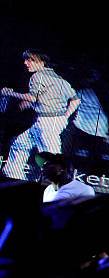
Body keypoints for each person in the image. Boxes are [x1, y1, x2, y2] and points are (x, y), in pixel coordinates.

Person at [1, 49, 80, 181]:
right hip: (49, 120)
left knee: (52, 157)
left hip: (47, 122)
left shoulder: (37, 76)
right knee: (20, 144)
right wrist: (65, 117)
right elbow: (75, 100)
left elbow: (33, 98)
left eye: (30, 60)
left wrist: (9, 93)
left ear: (42, 62)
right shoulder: (60, 79)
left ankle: (58, 184)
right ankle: (13, 175)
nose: (26, 63)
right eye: (26, 60)